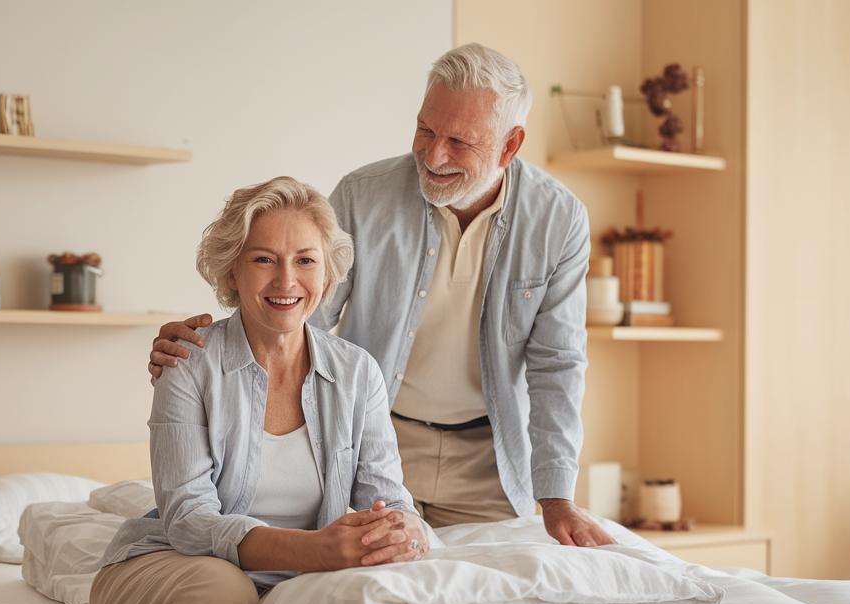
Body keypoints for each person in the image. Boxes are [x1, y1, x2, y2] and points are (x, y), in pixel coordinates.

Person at [150, 43, 614, 548]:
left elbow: (557, 365)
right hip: (376, 445)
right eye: (426, 130)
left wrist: (556, 495)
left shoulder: (559, 220)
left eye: (460, 142)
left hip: (489, 457)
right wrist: (209, 351)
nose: (434, 156)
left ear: (508, 147)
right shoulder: (361, 194)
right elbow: (299, 309)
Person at [94, 176, 430, 604]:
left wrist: (405, 534)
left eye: (305, 260)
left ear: (328, 272)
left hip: (301, 569)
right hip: (165, 566)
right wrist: (317, 551)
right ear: (231, 271)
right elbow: (188, 521)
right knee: (222, 588)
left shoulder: (357, 373)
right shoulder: (188, 364)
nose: (287, 280)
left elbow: (390, 498)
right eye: (263, 260)